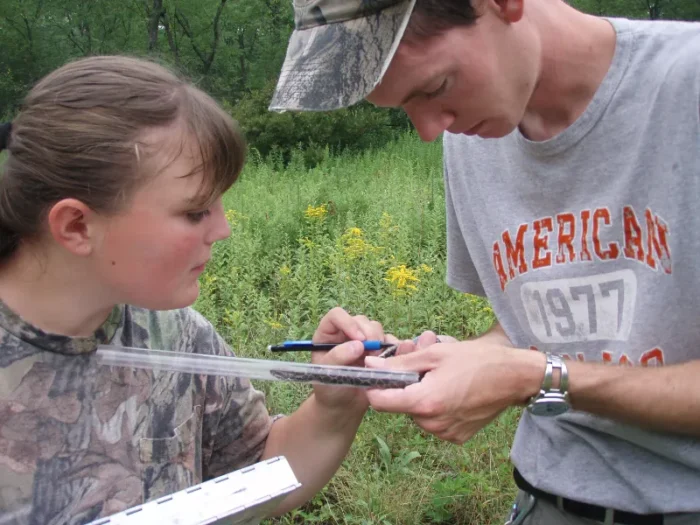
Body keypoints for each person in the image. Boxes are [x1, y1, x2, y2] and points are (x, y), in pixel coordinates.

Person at [270, 1, 700, 524]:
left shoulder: (686, 85)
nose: (429, 130)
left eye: (433, 88)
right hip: (545, 502)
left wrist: (536, 377)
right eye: (405, 106)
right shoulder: (471, 137)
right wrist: (456, 359)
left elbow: (536, 365)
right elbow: (529, 326)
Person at [0, 55, 398, 525]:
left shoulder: (177, 336)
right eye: (195, 212)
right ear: (77, 225)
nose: (223, 229)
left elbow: (257, 473)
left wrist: (335, 406)